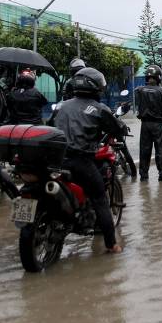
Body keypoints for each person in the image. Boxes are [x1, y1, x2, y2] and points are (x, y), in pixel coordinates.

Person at [54, 67, 122, 254]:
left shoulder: (61, 106)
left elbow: (50, 126)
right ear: (97, 87)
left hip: (54, 160)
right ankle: (111, 245)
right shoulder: (99, 109)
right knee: (100, 198)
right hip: (80, 160)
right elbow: (117, 128)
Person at [135, 65, 162, 181]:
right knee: (161, 149)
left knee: (144, 150)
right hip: (158, 124)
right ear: (159, 77)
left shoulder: (140, 90)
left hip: (145, 124)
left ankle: (144, 175)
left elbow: (137, 106)